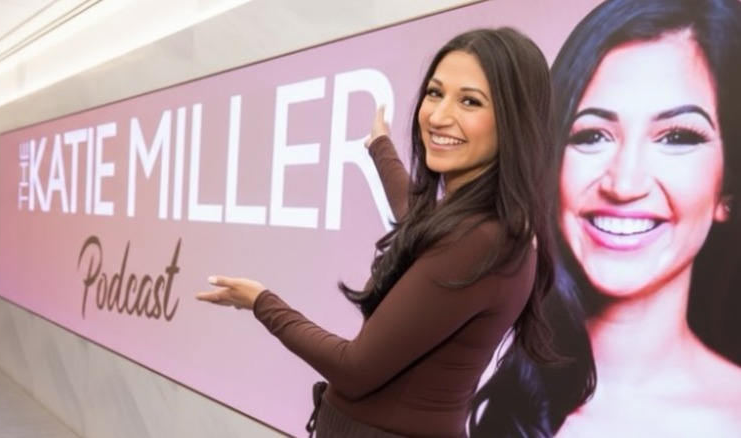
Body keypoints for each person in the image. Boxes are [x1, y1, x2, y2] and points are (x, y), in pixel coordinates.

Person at [197, 27, 591, 437]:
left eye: (470, 101)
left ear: (514, 119)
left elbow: (354, 370)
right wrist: (379, 146)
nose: (438, 116)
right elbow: (418, 217)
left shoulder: (482, 240)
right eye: (435, 93)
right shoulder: (479, 225)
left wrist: (262, 303)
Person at [473, 0, 741, 436]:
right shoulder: (485, 368)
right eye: (592, 135)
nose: (624, 183)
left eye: (676, 137)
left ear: (728, 188)